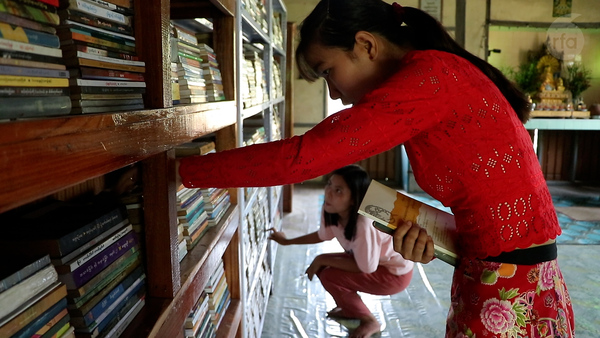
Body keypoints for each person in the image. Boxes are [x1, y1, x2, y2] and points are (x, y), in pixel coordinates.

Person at [178, 0, 575, 336]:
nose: (334, 92)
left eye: (327, 71)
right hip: (506, 269)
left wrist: (180, 172)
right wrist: (438, 237)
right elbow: (496, 198)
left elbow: (303, 157)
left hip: (511, 279)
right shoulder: (435, 71)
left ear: (365, 45)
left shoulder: (428, 78)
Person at [267, 164, 414, 338]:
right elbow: (323, 235)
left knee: (329, 275)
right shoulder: (331, 208)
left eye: (338, 191)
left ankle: (369, 321)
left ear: (354, 199)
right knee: (324, 269)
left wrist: (321, 258)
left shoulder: (363, 223)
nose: (328, 192)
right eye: (329, 184)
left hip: (394, 275)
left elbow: (366, 268)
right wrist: (287, 241)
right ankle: (350, 308)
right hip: (374, 263)